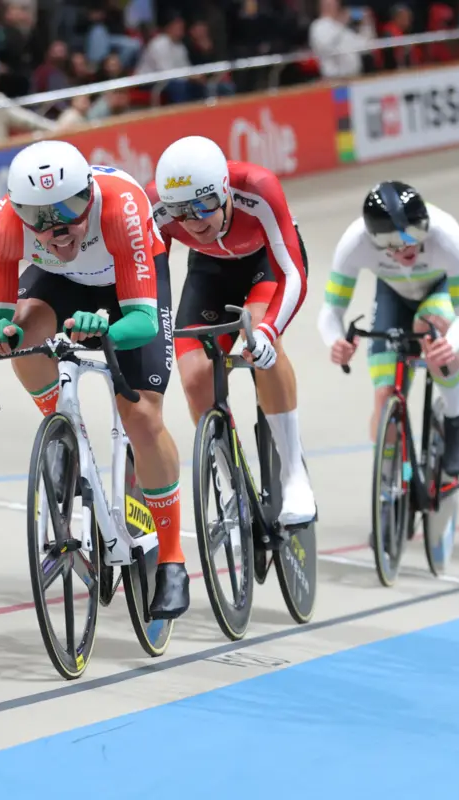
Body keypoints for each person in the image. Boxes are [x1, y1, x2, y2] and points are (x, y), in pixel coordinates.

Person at [0, 139, 189, 620]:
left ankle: (172, 558)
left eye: (70, 209)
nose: (57, 229)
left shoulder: (120, 208)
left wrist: (105, 328)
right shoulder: (2, 223)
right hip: (62, 283)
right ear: (17, 211)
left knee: (141, 416)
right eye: (39, 217)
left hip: (129, 290)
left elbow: (143, 322)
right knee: (25, 337)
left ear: (90, 195)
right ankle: (64, 436)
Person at [146, 135, 316, 528]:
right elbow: (151, 280)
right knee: (194, 377)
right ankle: (231, 486)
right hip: (210, 272)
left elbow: (293, 274)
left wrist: (270, 331)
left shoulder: (257, 187)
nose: (194, 222)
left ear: (225, 190)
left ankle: (294, 473)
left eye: (204, 205)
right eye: (180, 212)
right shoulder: (155, 204)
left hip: (266, 262)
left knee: (258, 339)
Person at [317, 180, 459, 478]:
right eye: (392, 240)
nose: (406, 245)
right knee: (384, 397)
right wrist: (336, 341)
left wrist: (451, 343)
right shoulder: (355, 242)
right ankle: (387, 488)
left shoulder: (446, 234)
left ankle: (455, 419)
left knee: (431, 333)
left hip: (440, 290)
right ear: (372, 237)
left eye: (414, 234)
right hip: (394, 293)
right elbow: (331, 310)